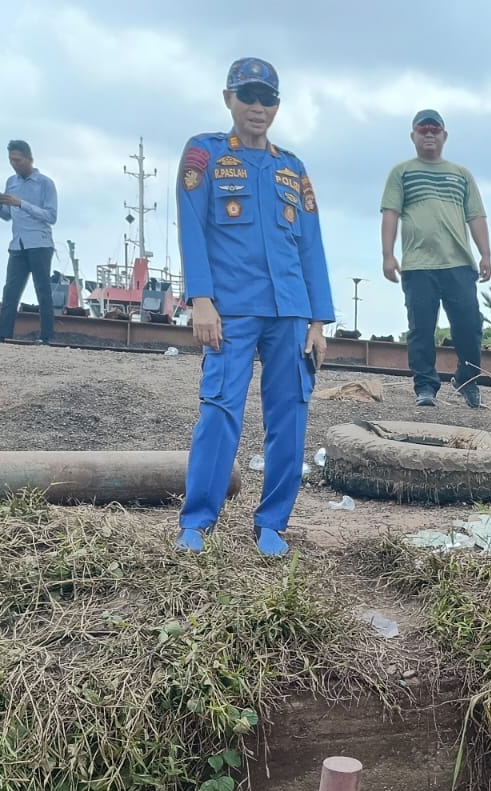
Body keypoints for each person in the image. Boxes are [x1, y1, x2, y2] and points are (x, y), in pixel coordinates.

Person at [173, 57, 334, 557]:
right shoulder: (204, 154)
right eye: (248, 96)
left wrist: (318, 320)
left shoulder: (293, 168)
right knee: (220, 410)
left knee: (290, 417)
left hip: (290, 311)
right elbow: (192, 227)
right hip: (232, 310)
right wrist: (201, 299)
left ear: (277, 106)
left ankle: (272, 523)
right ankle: (198, 522)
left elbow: (310, 244)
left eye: (267, 98)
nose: (257, 107)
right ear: (229, 99)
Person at [380, 110, 491, 408]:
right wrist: (388, 255)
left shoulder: (461, 174)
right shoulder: (401, 172)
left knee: (468, 326)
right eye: (422, 130)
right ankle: (425, 386)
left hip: (459, 264)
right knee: (421, 328)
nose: (429, 134)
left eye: (434, 129)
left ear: (444, 135)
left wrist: (486, 254)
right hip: (418, 265)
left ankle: (467, 380)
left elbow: (476, 216)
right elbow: (390, 213)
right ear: (413, 136)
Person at [0, 140, 58, 345]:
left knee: (42, 289)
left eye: (17, 160)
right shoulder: (11, 182)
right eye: (11, 160)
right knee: (10, 290)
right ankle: (2, 334)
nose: (14, 164)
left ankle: (46, 336)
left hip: (40, 243)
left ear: (29, 158)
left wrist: (21, 203)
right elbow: (7, 216)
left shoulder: (45, 183)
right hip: (18, 244)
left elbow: (51, 216)